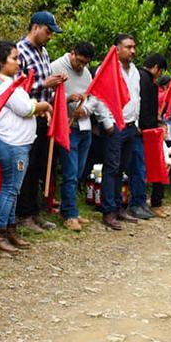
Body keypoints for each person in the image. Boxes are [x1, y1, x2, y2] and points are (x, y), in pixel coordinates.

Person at [0, 41, 51, 252]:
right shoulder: (3, 84)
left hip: (14, 142)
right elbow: (24, 108)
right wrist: (44, 105)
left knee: (12, 188)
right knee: (10, 189)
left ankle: (10, 230)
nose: (18, 62)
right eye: (13, 58)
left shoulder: (7, 82)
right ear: (0, 61)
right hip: (10, 143)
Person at [15, 11, 67, 232]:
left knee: (38, 167)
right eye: (48, 31)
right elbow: (16, 85)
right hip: (27, 116)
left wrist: (55, 85)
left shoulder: (44, 53)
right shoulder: (19, 51)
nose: (49, 37)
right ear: (35, 27)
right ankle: (23, 214)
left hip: (44, 118)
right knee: (25, 167)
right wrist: (44, 85)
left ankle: (34, 212)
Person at [50, 42, 104, 230]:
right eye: (79, 61)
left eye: (85, 63)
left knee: (79, 171)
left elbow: (93, 97)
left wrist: (86, 109)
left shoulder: (87, 72)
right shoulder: (56, 67)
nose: (81, 66)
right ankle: (70, 214)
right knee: (70, 172)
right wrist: (67, 98)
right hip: (66, 126)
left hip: (84, 126)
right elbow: (49, 96)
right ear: (72, 54)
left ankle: (70, 208)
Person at [99, 34, 144, 230]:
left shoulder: (134, 70)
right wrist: (107, 122)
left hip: (131, 125)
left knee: (123, 168)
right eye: (128, 47)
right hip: (115, 125)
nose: (132, 51)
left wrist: (137, 122)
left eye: (134, 47)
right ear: (116, 49)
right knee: (111, 167)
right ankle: (108, 210)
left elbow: (137, 97)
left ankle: (119, 207)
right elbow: (99, 97)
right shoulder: (107, 69)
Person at [140, 53, 168, 218]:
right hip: (147, 131)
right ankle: (153, 202)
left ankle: (147, 201)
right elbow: (144, 108)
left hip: (147, 128)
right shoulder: (147, 81)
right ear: (157, 68)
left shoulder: (139, 77)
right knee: (155, 167)